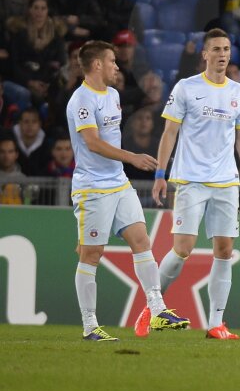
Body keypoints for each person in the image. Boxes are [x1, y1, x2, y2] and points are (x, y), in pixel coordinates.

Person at [148, 30, 240, 341]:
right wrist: (160, 174)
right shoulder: (186, 88)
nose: (222, 54)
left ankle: (216, 323)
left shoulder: (239, 92)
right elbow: (169, 132)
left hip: (226, 182)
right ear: (205, 54)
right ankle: (153, 306)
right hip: (191, 180)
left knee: (224, 250)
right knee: (183, 249)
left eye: (226, 49)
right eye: (216, 49)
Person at [67, 41, 188, 341]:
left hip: (118, 183)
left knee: (141, 240)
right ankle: (89, 326)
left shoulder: (113, 95)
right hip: (92, 188)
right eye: (112, 61)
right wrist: (132, 157)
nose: (117, 67)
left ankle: (158, 310)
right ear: (97, 64)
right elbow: (92, 143)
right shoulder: (81, 99)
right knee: (91, 254)